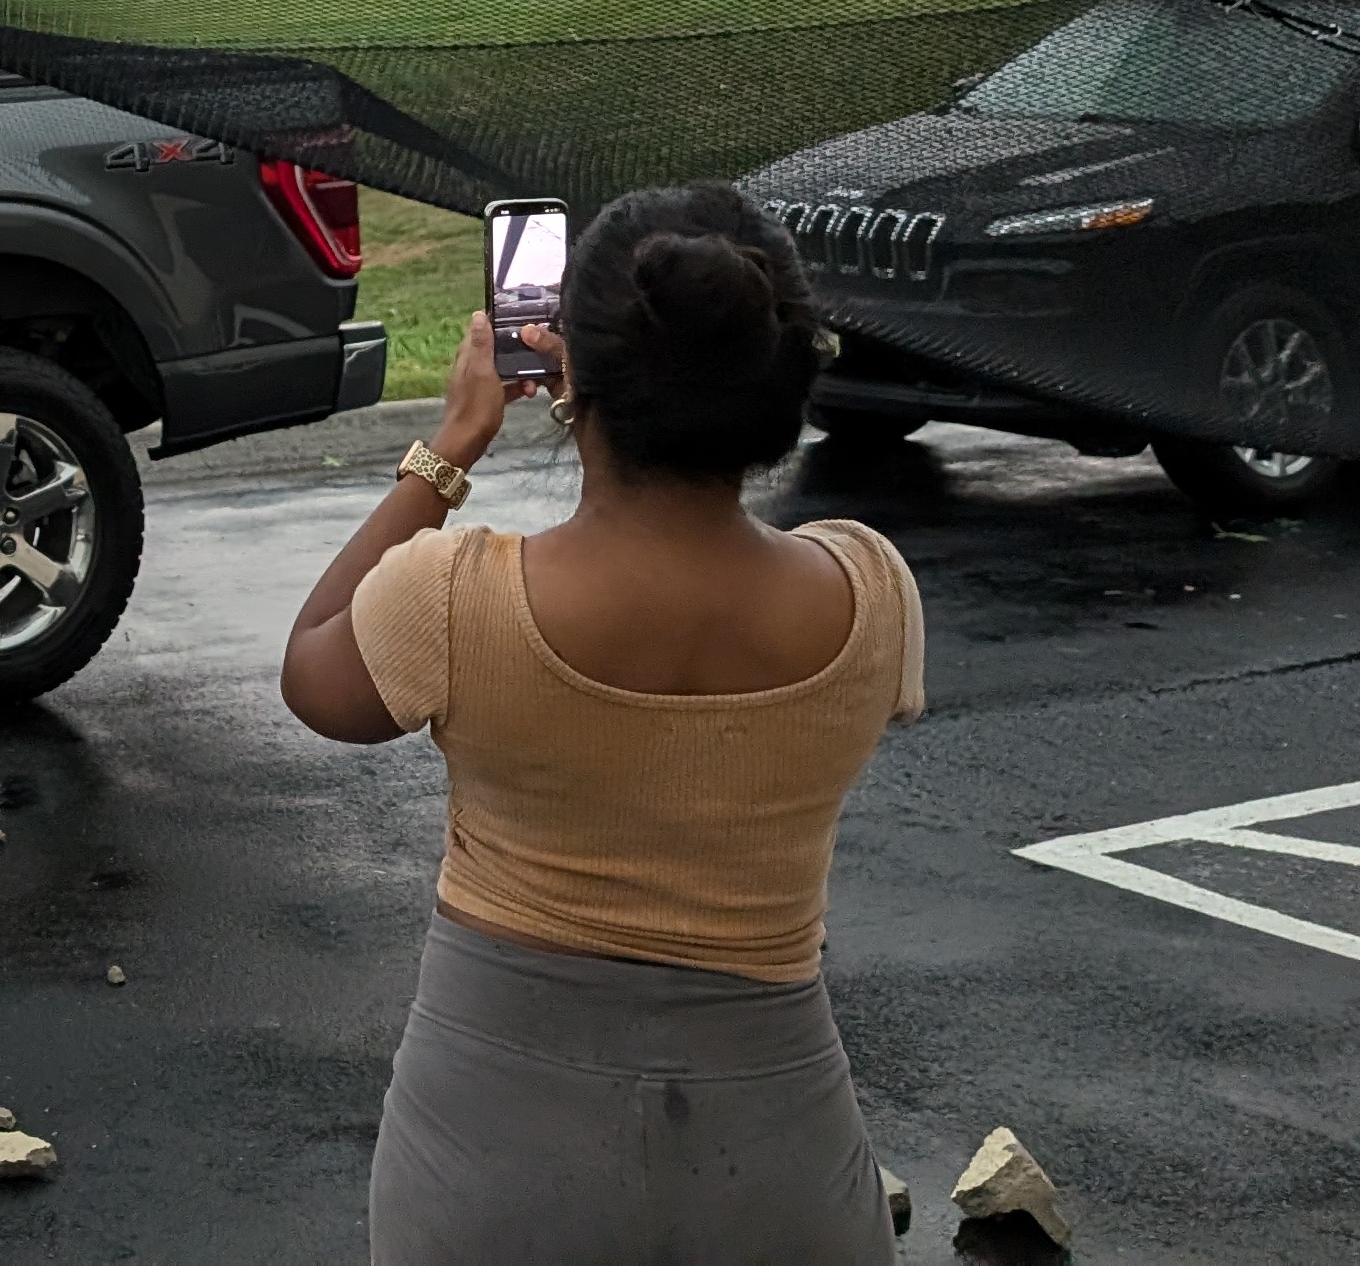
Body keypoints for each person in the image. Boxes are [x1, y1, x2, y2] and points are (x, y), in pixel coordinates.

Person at [281, 183, 922, 1266]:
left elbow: (315, 673)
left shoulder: (451, 598)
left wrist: (448, 451)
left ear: (566, 370)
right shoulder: (871, 593)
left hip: (487, 1166)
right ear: (779, 381)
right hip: (779, 1168)